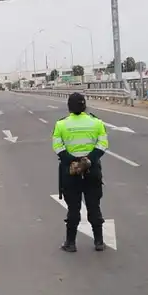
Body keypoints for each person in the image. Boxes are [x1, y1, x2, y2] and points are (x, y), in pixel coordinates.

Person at [53, 92, 109, 252]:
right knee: (94, 206)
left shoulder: (61, 125)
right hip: (92, 170)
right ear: (85, 106)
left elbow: (57, 147)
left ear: (69, 107)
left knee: (73, 208)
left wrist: (74, 161)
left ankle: (70, 243)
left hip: (71, 172)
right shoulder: (97, 123)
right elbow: (103, 145)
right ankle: (99, 242)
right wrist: (88, 160)